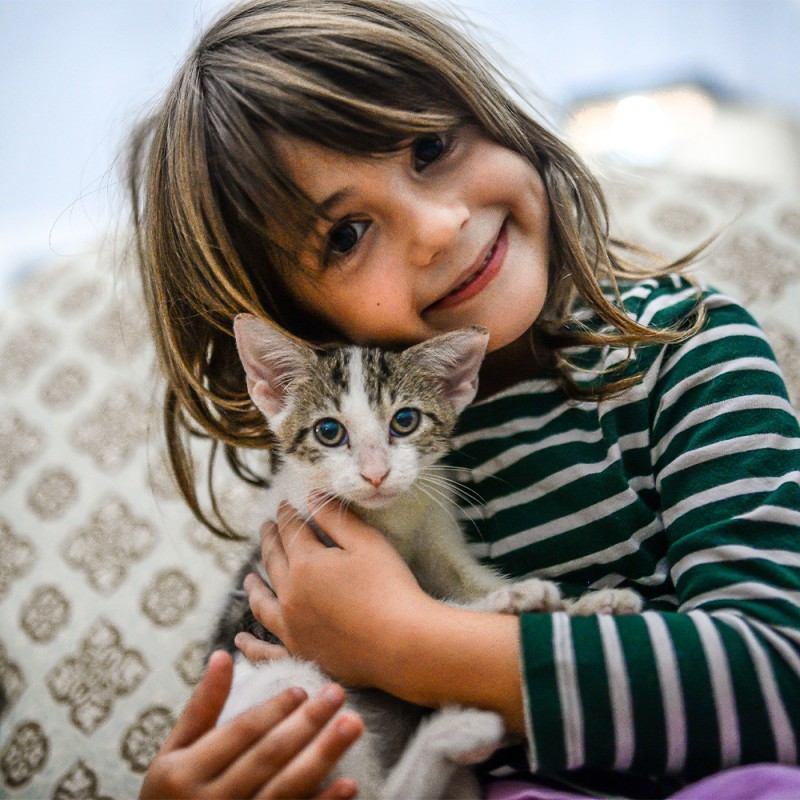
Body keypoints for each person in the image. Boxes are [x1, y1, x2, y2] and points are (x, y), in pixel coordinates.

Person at [128, 0, 800, 797]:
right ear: (294, 326)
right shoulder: (345, 490)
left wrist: (403, 642)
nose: (438, 226)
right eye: (346, 234)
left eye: (431, 146)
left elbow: (780, 679)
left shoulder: (686, 350)